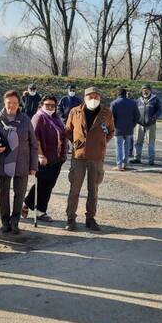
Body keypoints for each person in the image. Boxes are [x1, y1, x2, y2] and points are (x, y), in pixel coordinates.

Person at [0, 90, 38, 234]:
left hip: (22, 163)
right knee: (3, 193)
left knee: (19, 194)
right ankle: (4, 221)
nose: (12, 106)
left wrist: (33, 166)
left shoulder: (26, 120)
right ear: (4, 103)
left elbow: (33, 144)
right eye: (9, 103)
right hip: (3, 162)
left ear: (18, 103)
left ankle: (15, 222)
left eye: (14, 103)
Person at [64, 87, 114, 231]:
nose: (93, 99)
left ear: (100, 98)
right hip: (79, 156)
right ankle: (71, 218)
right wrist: (76, 143)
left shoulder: (107, 113)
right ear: (84, 97)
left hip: (97, 156)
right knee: (74, 189)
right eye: (90, 96)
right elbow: (68, 131)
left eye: (96, 96)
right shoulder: (75, 111)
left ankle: (90, 218)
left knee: (93, 190)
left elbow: (110, 131)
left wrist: (101, 143)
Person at [22, 96, 67, 223]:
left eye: (52, 105)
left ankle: (27, 204)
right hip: (44, 158)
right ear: (42, 105)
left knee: (48, 185)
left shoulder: (56, 117)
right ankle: (41, 211)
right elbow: (35, 139)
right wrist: (40, 155)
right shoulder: (39, 117)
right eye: (47, 105)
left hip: (57, 158)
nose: (50, 107)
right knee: (43, 185)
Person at [132, 83, 162, 166]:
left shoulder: (155, 99)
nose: (145, 91)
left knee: (150, 142)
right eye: (143, 90)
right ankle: (137, 158)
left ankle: (151, 160)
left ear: (150, 91)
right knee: (138, 142)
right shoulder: (138, 101)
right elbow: (134, 111)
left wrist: (155, 117)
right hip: (139, 124)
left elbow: (159, 110)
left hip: (151, 125)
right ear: (141, 91)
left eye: (147, 90)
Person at [110, 88, 139, 171]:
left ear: (118, 94)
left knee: (119, 147)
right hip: (129, 128)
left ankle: (119, 165)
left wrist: (114, 126)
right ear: (126, 94)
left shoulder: (114, 103)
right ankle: (125, 164)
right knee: (127, 147)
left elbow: (111, 118)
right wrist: (132, 125)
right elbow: (137, 116)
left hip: (118, 128)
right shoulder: (133, 103)